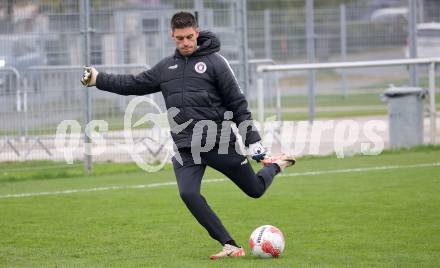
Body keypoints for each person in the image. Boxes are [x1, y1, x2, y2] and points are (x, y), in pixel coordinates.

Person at [81, 11, 295, 260]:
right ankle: (229, 245)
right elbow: (133, 84)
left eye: (190, 37)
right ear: (172, 36)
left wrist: (253, 142)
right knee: (188, 194)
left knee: (255, 190)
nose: (186, 42)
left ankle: (276, 165)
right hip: (186, 149)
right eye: (180, 38)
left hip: (220, 143)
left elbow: (238, 104)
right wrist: (98, 79)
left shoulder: (216, 63)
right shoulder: (165, 68)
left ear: (197, 32)